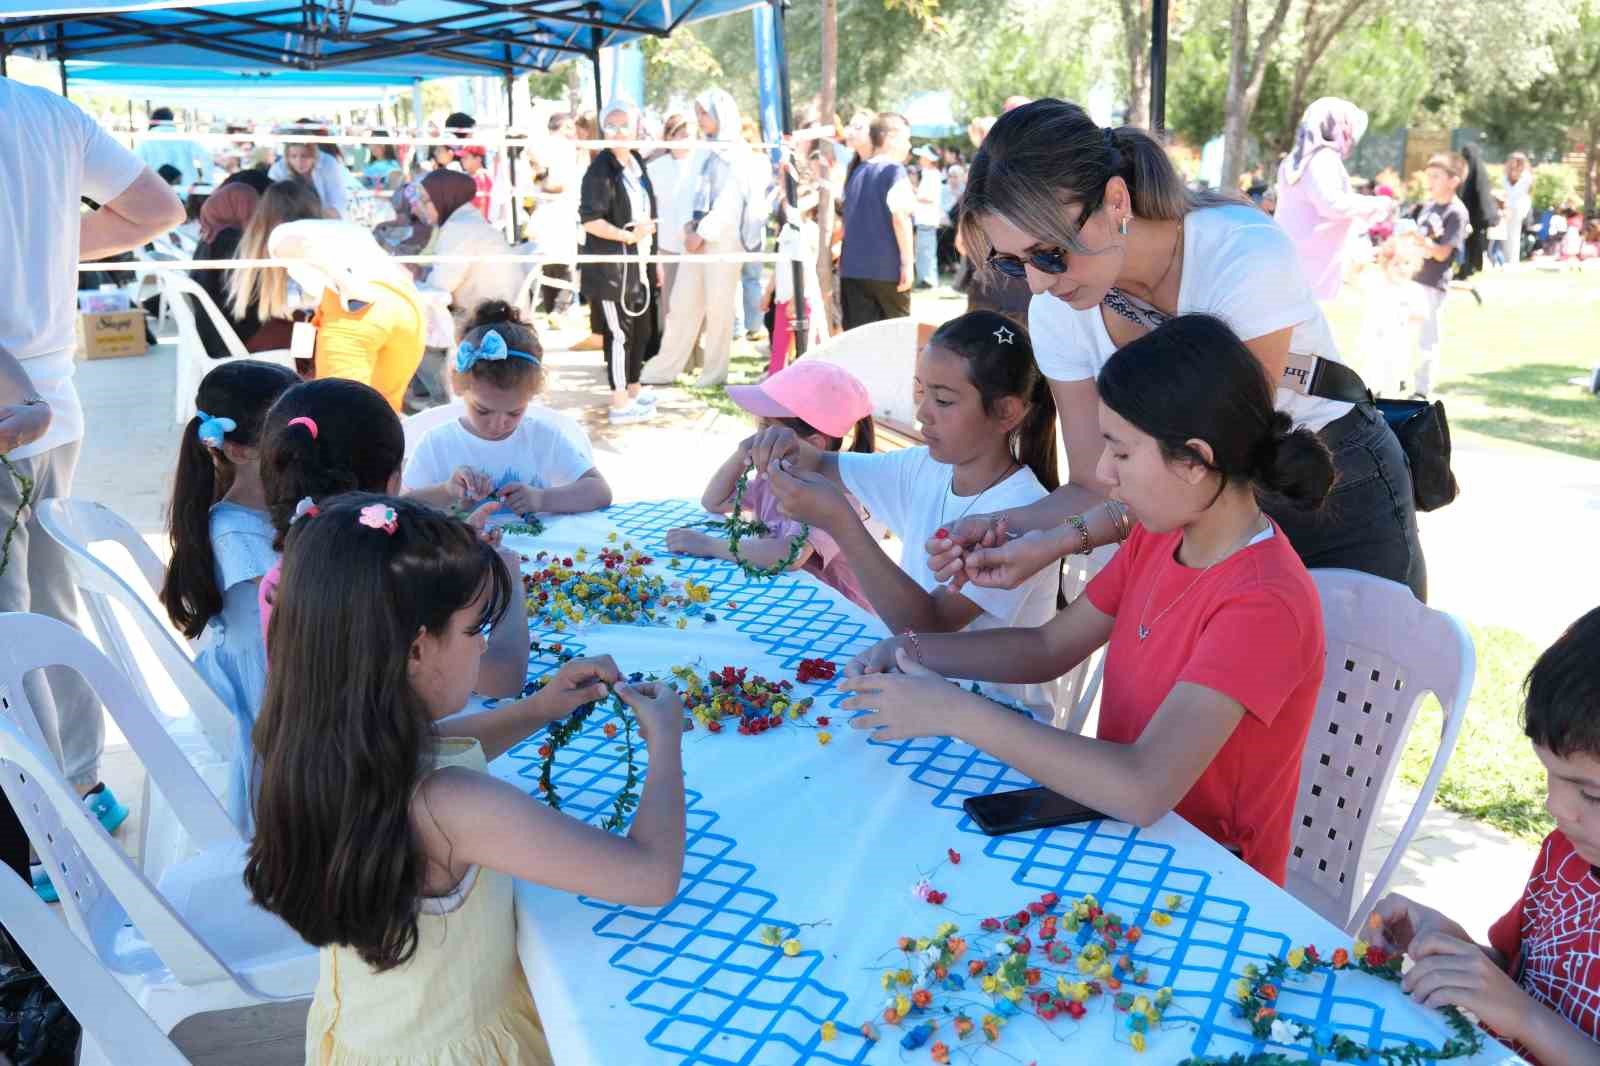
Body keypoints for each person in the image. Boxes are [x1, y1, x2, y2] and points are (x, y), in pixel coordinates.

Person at [840, 315, 1331, 885]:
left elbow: (1144, 787)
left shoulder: (1263, 604)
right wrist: (915, 649)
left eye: (1120, 454)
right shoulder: (1163, 532)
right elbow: (1050, 646)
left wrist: (952, 712)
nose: (1102, 473)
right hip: (1116, 833)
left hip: (1205, 876)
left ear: (1193, 462)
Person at [244, 494, 686, 1065]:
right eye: (475, 629)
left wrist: (538, 709)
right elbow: (651, 877)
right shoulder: (450, 806)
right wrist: (666, 744)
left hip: (373, 1032)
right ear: (416, 649)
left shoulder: (317, 739)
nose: (484, 644)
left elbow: (444, 744)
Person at [935, 99, 1427, 604]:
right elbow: (1094, 482)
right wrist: (1001, 525)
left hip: (1330, 481)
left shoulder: (1240, 253)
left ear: (1117, 200)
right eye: (1015, 263)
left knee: (1361, 678)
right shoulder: (1058, 310)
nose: (1037, 283)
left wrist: (1060, 541)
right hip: (1193, 513)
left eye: (1049, 253)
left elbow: (1218, 469)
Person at [1, 78, 185, 901]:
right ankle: (79, 783)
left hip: (13, 411)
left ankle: (39, 828)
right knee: (49, 602)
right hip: (54, 399)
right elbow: (156, 209)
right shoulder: (46, 113)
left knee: (13, 625)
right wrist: (48, 245)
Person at [747, 311, 1063, 719]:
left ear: (1007, 412)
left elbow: (927, 630)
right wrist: (781, 443)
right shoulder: (927, 467)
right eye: (922, 392)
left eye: (944, 400)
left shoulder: (1024, 513)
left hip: (995, 727)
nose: (922, 415)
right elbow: (822, 462)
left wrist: (842, 524)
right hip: (918, 695)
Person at [1370, 607, 1600, 1066]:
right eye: (1550, 776)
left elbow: (1524, 1010)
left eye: (1592, 794)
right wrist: (1457, 951)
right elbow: (1523, 977)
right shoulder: (1564, 854)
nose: (1556, 806)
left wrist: (1524, 1017)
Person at [158, 360, 299, 828]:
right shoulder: (236, 539)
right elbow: (283, 647)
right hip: (278, 720)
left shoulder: (271, 510)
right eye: (292, 433)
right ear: (239, 450)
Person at [665, 360, 875, 612]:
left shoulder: (834, 497)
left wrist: (709, 545)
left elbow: (789, 555)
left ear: (815, 443)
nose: (758, 437)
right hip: (783, 599)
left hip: (831, 613)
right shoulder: (774, 479)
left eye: (767, 429)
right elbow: (713, 501)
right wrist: (741, 452)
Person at [402, 301, 612, 517]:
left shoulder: (543, 438)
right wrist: (446, 491)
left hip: (537, 550)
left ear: (531, 397)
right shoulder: (437, 445)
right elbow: (402, 506)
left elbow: (599, 491)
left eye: (514, 412)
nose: (498, 424)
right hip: (462, 550)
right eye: (482, 410)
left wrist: (542, 498)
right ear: (459, 386)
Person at [639, 89, 750, 389]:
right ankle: (663, 368)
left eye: (704, 113)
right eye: (698, 113)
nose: (700, 119)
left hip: (722, 242)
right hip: (693, 240)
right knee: (681, 305)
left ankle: (713, 374)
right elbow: (687, 193)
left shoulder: (738, 151)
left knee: (718, 308)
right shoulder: (702, 149)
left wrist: (702, 233)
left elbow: (730, 202)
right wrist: (688, 231)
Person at [267, 220, 427, 412]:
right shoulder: (345, 229)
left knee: (339, 409)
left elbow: (305, 247)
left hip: (353, 308)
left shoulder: (279, 236)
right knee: (386, 408)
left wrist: (347, 284)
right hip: (405, 303)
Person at [578, 99, 661, 423]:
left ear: (636, 126)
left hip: (638, 263)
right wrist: (627, 235)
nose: (618, 131)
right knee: (620, 333)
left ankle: (634, 389)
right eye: (610, 125)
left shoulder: (637, 163)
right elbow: (590, 220)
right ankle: (619, 402)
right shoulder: (599, 170)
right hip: (612, 267)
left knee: (640, 329)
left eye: (623, 123)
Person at [1273, 98, 1394, 301]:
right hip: (1309, 268)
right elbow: (1332, 204)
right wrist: (1379, 204)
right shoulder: (1322, 158)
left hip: (1295, 261)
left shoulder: (1298, 157)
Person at [416, 169, 524, 340]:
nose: (419, 207)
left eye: (425, 200)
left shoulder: (459, 227)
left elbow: (441, 284)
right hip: (499, 311)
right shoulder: (467, 219)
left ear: (443, 197)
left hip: (487, 318)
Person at [227, 180, 327, 352]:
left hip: (252, 339)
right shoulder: (301, 242)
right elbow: (307, 305)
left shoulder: (252, 241)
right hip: (288, 341)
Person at [837, 113, 915, 329]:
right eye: (906, 139)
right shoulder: (894, 171)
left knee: (860, 338)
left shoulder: (857, 171)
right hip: (887, 270)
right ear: (890, 137)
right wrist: (907, 263)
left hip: (853, 270)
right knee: (897, 336)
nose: (909, 146)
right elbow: (900, 217)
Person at [1407, 153, 1469, 401]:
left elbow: (1443, 253)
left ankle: (1421, 390)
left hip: (1432, 284)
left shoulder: (1456, 212)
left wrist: (1423, 243)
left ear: (1453, 181)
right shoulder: (1429, 206)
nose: (1430, 181)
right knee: (1404, 334)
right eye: (1428, 176)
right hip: (1412, 279)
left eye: (1436, 176)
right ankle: (1397, 379)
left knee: (1426, 339)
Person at [190, 180, 263, 355]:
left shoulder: (209, 236)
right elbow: (249, 295)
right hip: (235, 335)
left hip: (213, 332)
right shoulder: (231, 240)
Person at [531, 113, 582, 319]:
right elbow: (553, 184)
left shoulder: (545, 147)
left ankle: (558, 308)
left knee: (559, 260)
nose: (573, 132)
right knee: (555, 260)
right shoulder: (557, 148)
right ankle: (558, 308)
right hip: (553, 211)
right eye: (569, 127)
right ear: (561, 127)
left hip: (558, 210)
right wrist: (543, 178)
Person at [646, 113, 695, 321]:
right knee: (670, 308)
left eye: (690, 135)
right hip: (667, 248)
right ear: (668, 137)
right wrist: (656, 254)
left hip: (698, 247)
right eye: (680, 135)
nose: (685, 140)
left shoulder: (703, 165)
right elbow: (649, 211)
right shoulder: (654, 168)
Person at [269, 121, 352, 219]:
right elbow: (273, 204)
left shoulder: (328, 164)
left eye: (305, 156)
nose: (299, 162)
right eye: (293, 156)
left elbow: (338, 201)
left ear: (314, 155)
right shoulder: (278, 170)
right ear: (287, 157)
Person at [136, 106, 208, 192]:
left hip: (157, 192)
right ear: (171, 120)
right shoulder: (186, 138)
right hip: (186, 191)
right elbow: (206, 157)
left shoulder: (145, 141)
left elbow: (135, 167)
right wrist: (206, 184)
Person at [1458, 143, 1499, 288]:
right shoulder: (1477, 169)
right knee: (1472, 243)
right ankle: (1469, 267)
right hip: (1478, 215)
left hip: (1476, 215)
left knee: (1472, 243)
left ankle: (1469, 268)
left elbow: (1475, 194)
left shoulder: (1473, 171)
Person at [911, 145, 945, 289]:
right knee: (924, 250)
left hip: (927, 218)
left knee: (926, 251)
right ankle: (926, 278)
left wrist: (914, 193)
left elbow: (930, 197)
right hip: (924, 218)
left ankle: (928, 280)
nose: (920, 160)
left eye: (923, 157)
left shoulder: (933, 175)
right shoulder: (929, 174)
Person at [1502, 152, 1533, 266]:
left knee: (1514, 234)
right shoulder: (1506, 175)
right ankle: (1504, 259)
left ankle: (1512, 260)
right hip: (1506, 207)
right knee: (1504, 234)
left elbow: (1526, 193)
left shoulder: (1526, 176)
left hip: (1518, 207)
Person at [460, 144, 493, 221]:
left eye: (466, 157)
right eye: (462, 157)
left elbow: (482, 208)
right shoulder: (469, 176)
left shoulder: (482, 178)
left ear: (478, 159)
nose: (462, 159)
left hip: (476, 226)